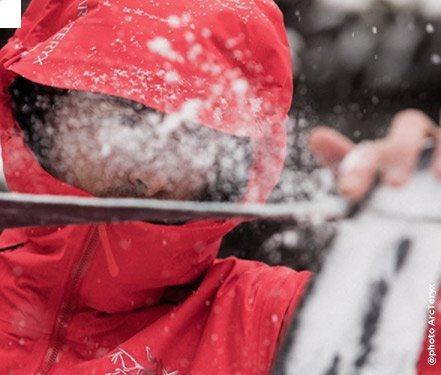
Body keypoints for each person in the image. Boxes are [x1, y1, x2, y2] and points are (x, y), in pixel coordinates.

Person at [0, 1, 439, 375]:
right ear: (43, 111)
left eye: (195, 137)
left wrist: (423, 261)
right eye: (130, 115)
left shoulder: (267, 323)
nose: (155, 176)